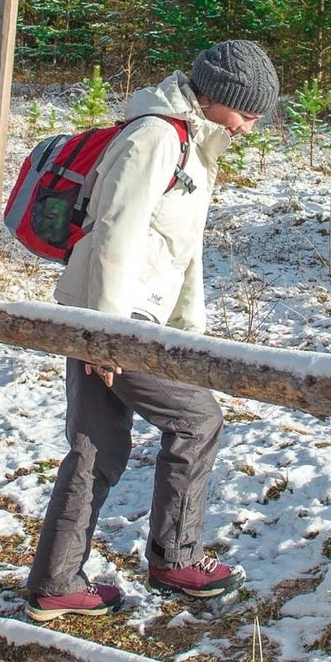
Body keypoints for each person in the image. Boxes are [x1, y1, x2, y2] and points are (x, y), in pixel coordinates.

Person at [24, 39, 278, 622]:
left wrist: (189, 333)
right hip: (115, 318)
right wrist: (108, 335)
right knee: (198, 419)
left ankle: (57, 581)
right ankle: (176, 557)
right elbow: (117, 231)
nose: (253, 125)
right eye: (248, 111)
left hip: (112, 316)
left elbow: (182, 251)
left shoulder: (190, 144)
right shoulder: (157, 138)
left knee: (96, 447)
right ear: (217, 98)